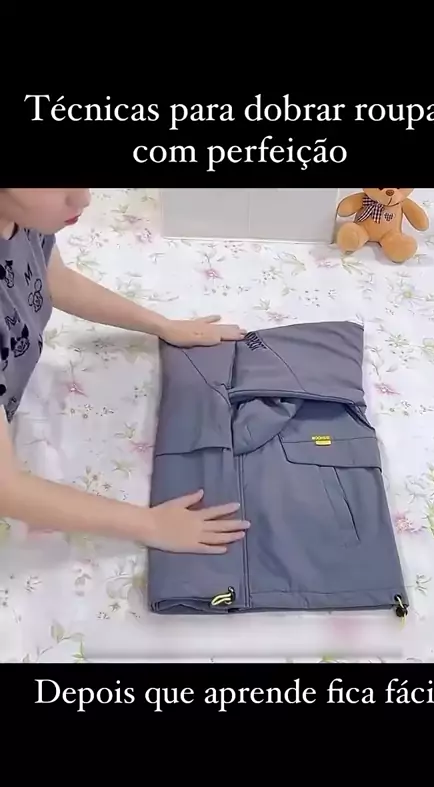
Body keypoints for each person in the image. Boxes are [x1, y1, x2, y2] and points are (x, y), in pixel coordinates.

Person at [0, 188, 250, 553]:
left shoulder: (22, 218)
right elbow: (6, 489)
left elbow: (53, 279)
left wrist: (163, 325)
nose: (83, 199)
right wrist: (150, 524)